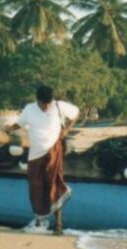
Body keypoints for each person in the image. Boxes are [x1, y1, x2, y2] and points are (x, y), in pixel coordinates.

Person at [7, 85, 79, 235]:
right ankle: (39, 221)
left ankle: (58, 224)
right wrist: (6, 129)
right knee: (36, 186)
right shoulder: (29, 109)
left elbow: (75, 114)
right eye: (43, 103)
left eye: (48, 103)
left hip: (53, 150)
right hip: (35, 154)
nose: (46, 106)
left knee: (53, 183)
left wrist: (66, 129)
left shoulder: (59, 106)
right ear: (37, 100)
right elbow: (18, 124)